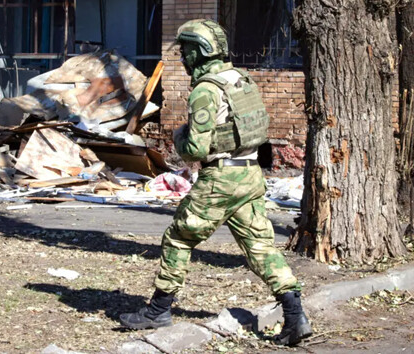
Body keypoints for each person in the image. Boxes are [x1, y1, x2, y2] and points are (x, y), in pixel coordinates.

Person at [119, 19, 311, 346]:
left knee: (179, 236)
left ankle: (158, 309)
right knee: (260, 247)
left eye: (187, 50)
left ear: (202, 51)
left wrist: (179, 136)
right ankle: (295, 315)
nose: (182, 57)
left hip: (221, 178)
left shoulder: (206, 90)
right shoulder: (239, 78)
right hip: (250, 174)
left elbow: (195, 149)